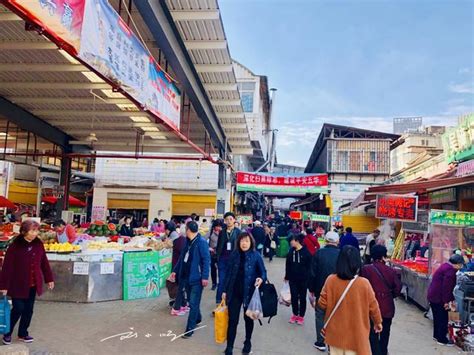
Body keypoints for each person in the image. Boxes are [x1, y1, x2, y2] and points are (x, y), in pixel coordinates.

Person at [318, 245, 383, 355]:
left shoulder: (331, 280)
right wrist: (378, 322)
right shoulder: (364, 283)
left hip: (335, 335)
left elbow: (322, 304)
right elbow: (373, 307)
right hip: (357, 336)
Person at [0, 220, 54, 345]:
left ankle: (23, 333)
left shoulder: (38, 244)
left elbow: (44, 263)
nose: (35, 233)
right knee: (18, 308)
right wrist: (3, 286)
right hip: (17, 283)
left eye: (36, 230)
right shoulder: (15, 246)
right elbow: (7, 267)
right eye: (32, 230)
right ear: (24, 231)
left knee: (28, 310)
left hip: (33, 284)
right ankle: (7, 332)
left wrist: (49, 278)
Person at [222, 232, 266, 355]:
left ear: (251, 242)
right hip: (234, 292)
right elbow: (228, 274)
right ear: (238, 242)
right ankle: (229, 346)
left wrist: (261, 278)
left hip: (249, 293)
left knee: (248, 319)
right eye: (242, 241)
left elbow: (263, 272)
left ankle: (247, 342)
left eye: (246, 241)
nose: (244, 243)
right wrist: (224, 290)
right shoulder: (234, 255)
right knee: (233, 320)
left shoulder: (256, 255)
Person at [169, 221, 210, 338]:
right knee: (193, 303)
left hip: (196, 278)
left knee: (193, 302)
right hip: (185, 276)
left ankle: (189, 329)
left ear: (187, 230)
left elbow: (206, 260)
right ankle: (198, 317)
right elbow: (182, 258)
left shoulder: (201, 243)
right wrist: (175, 271)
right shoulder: (187, 242)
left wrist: (205, 277)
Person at [361, 245, 402, 355]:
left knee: (371, 333)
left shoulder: (365, 269)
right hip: (386, 308)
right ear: (384, 256)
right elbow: (397, 289)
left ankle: (373, 351)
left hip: (369, 307)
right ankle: (383, 351)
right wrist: (389, 296)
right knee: (385, 332)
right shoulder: (391, 271)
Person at [309, 231, 341, 352]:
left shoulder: (319, 253)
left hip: (320, 290)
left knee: (320, 315)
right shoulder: (341, 254)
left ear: (326, 241)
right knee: (335, 315)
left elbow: (312, 273)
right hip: (339, 290)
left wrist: (311, 289)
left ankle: (320, 341)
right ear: (337, 242)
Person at [427, 254, 464, 346]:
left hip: (433, 295)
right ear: (456, 264)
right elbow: (446, 289)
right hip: (439, 298)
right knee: (443, 318)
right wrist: (447, 302)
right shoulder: (450, 271)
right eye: (460, 264)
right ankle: (442, 339)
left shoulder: (445, 266)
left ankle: (436, 335)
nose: (461, 267)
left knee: (437, 317)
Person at [285, 233, 312, 325]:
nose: (290, 243)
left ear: (296, 241)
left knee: (302, 298)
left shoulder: (306, 252)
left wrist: (309, 279)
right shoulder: (290, 251)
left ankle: (301, 316)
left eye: (291, 241)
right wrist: (286, 276)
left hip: (303, 280)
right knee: (294, 297)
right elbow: (287, 264)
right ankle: (295, 314)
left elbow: (310, 267)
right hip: (292, 279)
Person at [215, 212, 241, 305]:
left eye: (231, 219)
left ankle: (231, 300)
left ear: (234, 220)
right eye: (227, 220)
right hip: (223, 259)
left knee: (233, 281)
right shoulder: (222, 232)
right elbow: (219, 246)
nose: (229, 221)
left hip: (234, 260)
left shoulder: (238, 232)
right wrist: (217, 258)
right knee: (221, 281)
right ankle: (219, 301)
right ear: (225, 221)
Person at [169, 221, 188, 315]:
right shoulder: (183, 241)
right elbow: (183, 257)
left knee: (181, 287)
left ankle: (183, 305)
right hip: (179, 268)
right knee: (181, 288)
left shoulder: (179, 240)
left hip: (177, 267)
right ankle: (176, 308)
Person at [208, 220, 223, 291]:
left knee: (221, 269)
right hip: (213, 254)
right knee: (213, 269)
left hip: (221, 254)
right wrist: (209, 248)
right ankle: (214, 283)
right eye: (217, 226)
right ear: (214, 226)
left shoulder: (223, 232)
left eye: (220, 226)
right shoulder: (210, 232)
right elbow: (203, 240)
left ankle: (221, 283)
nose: (218, 228)